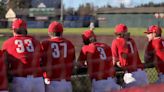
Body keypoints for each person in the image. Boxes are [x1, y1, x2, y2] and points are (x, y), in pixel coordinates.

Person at [2, 19, 45, 92]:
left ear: (14, 30)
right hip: (38, 80)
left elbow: (4, 64)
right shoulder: (36, 41)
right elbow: (41, 60)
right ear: (25, 30)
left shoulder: (7, 43)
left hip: (20, 79)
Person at [41, 21, 75, 92]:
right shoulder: (69, 44)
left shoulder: (45, 44)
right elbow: (73, 62)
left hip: (52, 82)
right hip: (67, 83)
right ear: (62, 32)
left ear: (49, 33)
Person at [111, 23, 148, 88]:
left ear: (118, 34)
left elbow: (114, 61)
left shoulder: (116, 41)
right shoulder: (132, 41)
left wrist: (117, 63)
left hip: (131, 75)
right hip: (142, 74)